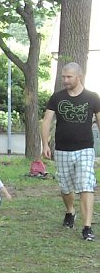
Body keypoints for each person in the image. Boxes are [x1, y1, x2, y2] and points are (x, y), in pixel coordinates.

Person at [41, 62, 100, 241]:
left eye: (69, 77)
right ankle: (70, 211)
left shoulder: (92, 97)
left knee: (85, 185)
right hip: (62, 149)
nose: (65, 80)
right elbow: (46, 121)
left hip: (85, 148)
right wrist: (45, 144)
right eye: (63, 77)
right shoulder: (57, 98)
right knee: (66, 187)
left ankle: (87, 227)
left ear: (78, 77)